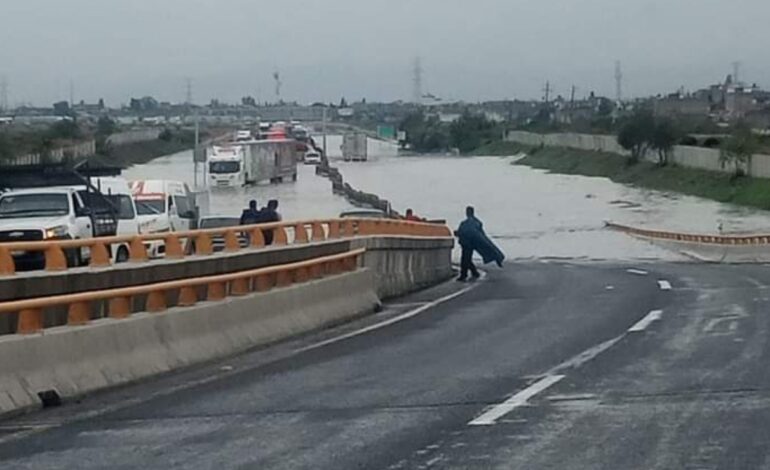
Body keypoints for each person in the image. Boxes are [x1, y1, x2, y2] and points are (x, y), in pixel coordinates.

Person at [455, 206, 482, 281]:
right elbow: (480, 234)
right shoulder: (477, 222)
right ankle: (474, 272)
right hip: (470, 244)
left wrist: (456, 233)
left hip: (467, 244)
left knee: (465, 259)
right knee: (467, 259)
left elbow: (461, 232)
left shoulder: (465, 223)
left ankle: (464, 275)